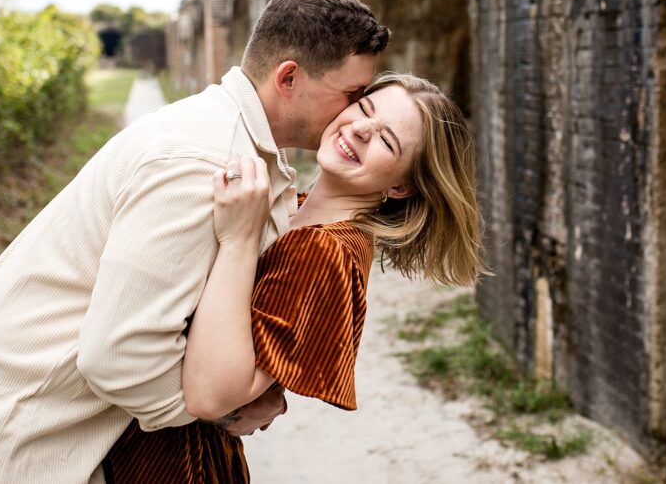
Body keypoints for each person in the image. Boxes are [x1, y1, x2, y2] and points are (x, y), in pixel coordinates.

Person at [0, 0, 390, 484]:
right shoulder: (201, 165)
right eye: (352, 95)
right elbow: (119, 356)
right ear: (289, 78)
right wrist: (226, 411)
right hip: (2, 441)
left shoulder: (226, 130)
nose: (353, 113)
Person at [101, 73, 485, 483]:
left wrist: (238, 241)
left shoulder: (326, 248)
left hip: (176, 467)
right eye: (364, 109)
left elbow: (211, 396)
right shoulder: (299, 211)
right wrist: (267, 389)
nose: (359, 130)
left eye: (387, 141)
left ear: (401, 186)